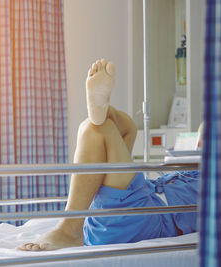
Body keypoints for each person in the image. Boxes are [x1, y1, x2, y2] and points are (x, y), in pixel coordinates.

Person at [18, 59, 199, 251]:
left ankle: (69, 229)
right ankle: (99, 111)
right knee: (123, 127)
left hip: (144, 220)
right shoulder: (190, 172)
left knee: (97, 129)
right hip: (140, 202)